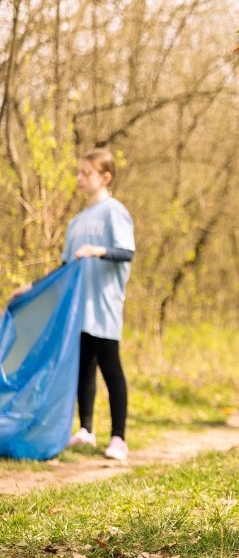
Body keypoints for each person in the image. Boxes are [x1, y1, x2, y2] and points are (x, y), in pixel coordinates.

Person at [10, 149, 136, 461]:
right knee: (83, 368)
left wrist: (98, 250)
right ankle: (86, 429)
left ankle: (118, 439)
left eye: (86, 173)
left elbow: (126, 252)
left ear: (105, 177)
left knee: (111, 368)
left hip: (103, 306)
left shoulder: (114, 211)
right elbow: (65, 269)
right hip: (77, 309)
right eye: (78, 172)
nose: (79, 178)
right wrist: (32, 287)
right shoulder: (76, 222)